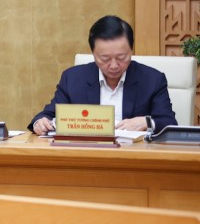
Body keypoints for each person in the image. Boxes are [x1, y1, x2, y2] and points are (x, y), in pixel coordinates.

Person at [29, 15, 176, 135]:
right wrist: (40, 123)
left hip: (135, 158)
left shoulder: (152, 79)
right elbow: (48, 115)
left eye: (121, 58)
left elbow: (169, 122)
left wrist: (146, 122)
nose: (113, 65)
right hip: (87, 157)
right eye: (105, 59)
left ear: (131, 50)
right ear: (93, 53)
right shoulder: (72, 78)